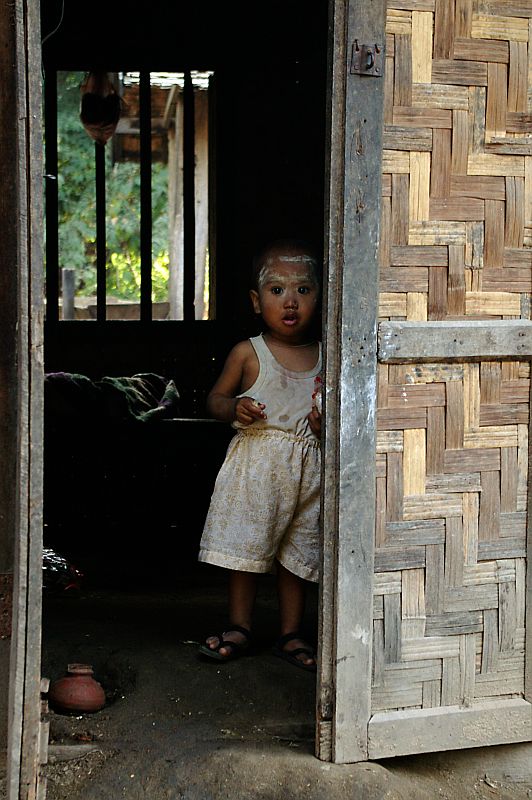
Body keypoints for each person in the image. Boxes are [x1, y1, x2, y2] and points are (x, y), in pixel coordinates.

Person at [197, 239, 322, 671]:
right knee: (248, 549)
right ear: (256, 300)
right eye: (276, 291)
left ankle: (290, 632)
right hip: (257, 469)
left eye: (303, 291)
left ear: (321, 296)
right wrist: (234, 408)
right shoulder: (249, 352)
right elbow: (214, 399)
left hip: (309, 473)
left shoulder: (328, 355)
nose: (291, 301)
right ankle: (240, 625)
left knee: (298, 555)